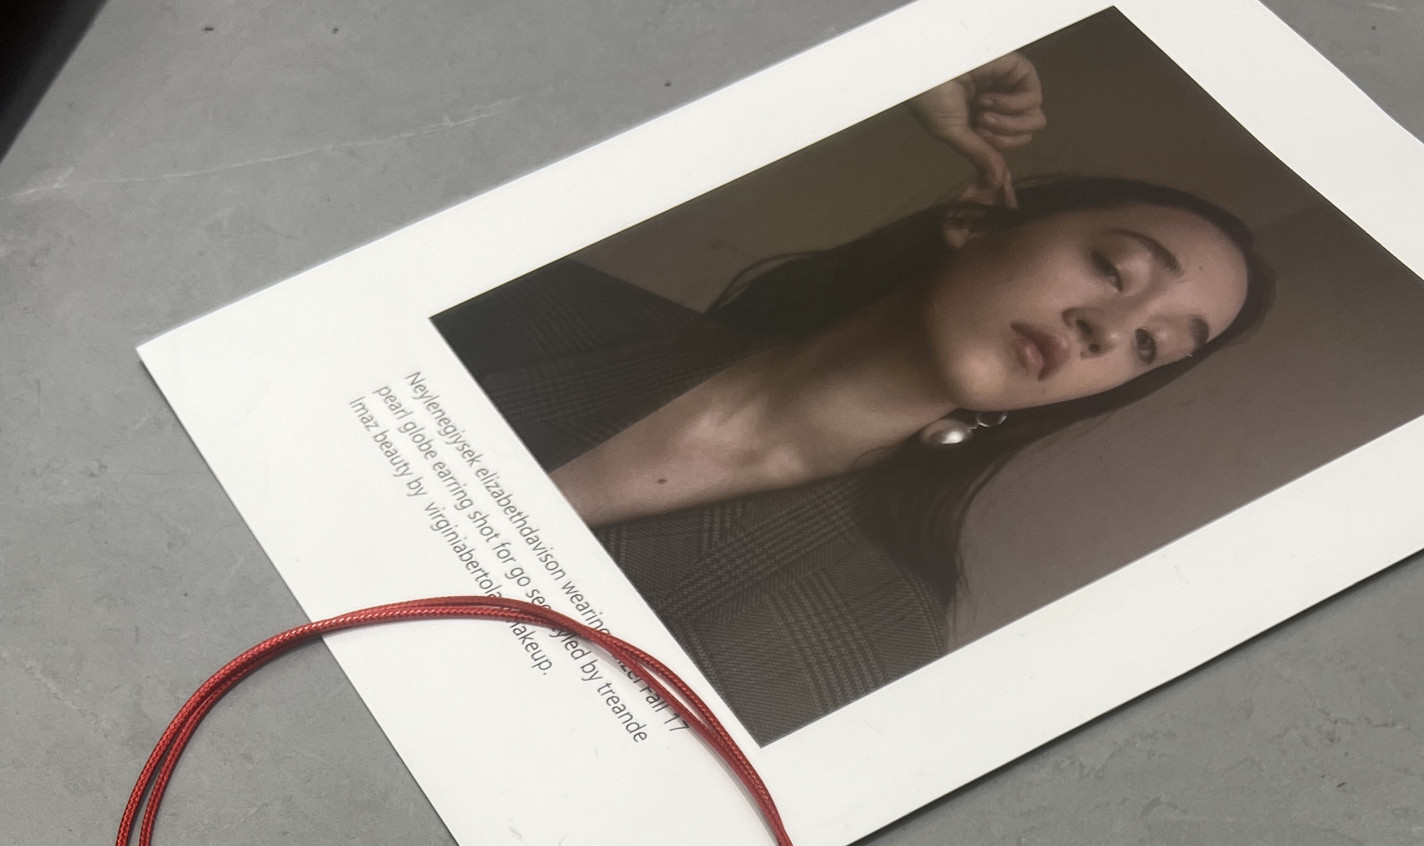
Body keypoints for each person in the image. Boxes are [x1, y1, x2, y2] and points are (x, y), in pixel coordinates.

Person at [433, 55, 1274, 743]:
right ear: (979, 218)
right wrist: (895, 56)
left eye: (1150, 346)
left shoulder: (872, 641)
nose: (1108, 327)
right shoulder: (532, 307)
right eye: (1115, 267)